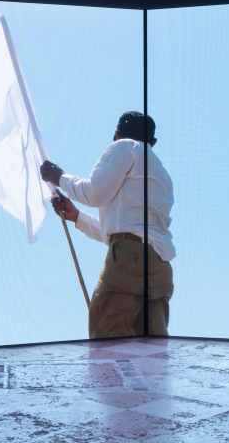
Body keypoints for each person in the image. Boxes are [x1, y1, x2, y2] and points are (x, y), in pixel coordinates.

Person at [40, 111, 174, 339]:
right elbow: (127, 230)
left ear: (117, 135)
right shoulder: (161, 175)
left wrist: (59, 177)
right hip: (160, 265)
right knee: (151, 346)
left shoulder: (125, 147)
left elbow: (95, 194)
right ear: (153, 142)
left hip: (129, 258)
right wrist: (78, 217)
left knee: (108, 336)